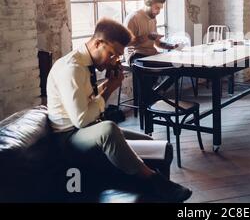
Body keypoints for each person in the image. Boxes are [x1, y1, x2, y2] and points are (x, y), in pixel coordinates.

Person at [46, 18, 192, 202]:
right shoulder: (72, 69)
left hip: (87, 129)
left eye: (118, 56)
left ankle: (155, 190)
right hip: (69, 137)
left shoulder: (85, 66)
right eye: (112, 54)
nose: (114, 60)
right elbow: (81, 119)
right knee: (109, 128)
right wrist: (108, 90)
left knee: (152, 145)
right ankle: (154, 181)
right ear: (98, 43)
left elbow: (88, 103)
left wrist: (109, 85)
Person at [124, 0, 182, 104]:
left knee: (178, 67)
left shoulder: (153, 18)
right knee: (149, 71)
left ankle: (155, 94)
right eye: (156, 8)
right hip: (135, 54)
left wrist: (172, 46)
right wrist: (147, 37)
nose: (158, 12)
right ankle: (151, 98)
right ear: (148, 4)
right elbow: (126, 43)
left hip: (150, 54)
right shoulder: (133, 18)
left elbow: (157, 43)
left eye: (160, 9)